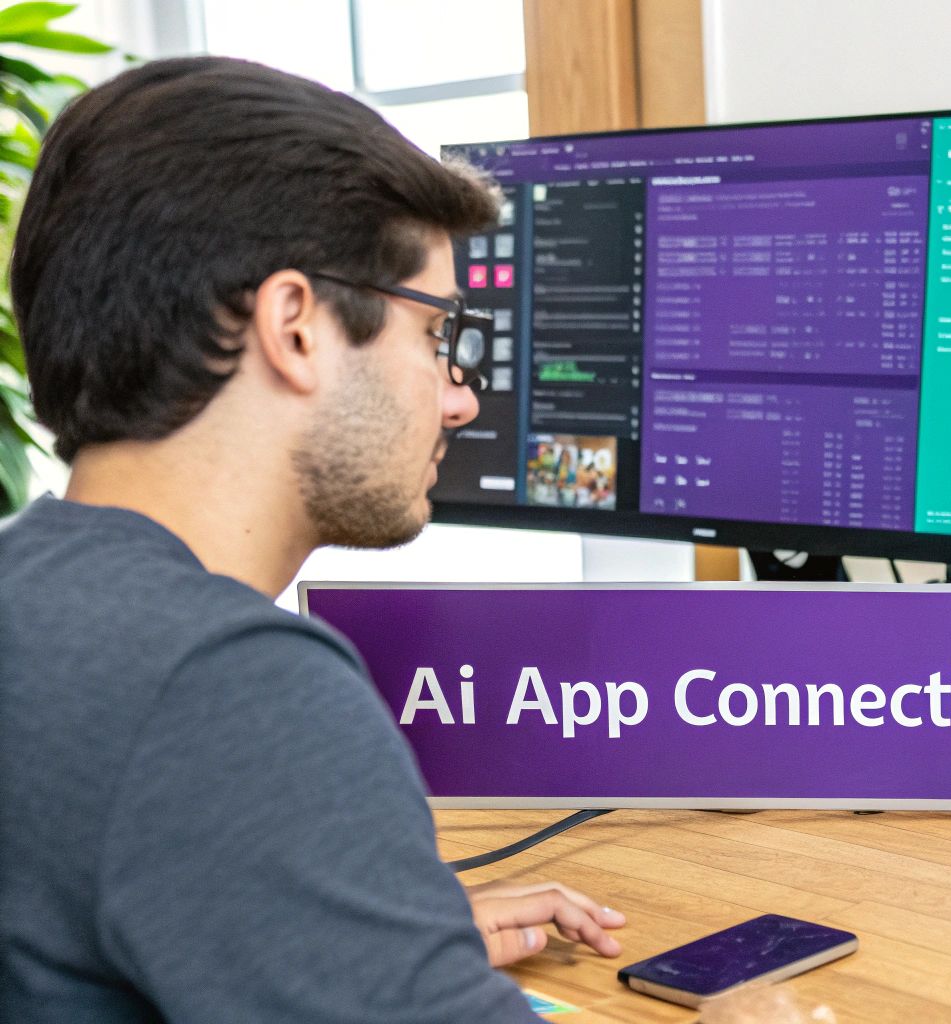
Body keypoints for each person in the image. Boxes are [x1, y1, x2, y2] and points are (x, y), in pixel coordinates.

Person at [0, 57, 624, 1021]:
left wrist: (355, 935)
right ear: (295, 326)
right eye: (435, 334)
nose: (459, 398)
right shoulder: (228, 685)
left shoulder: (27, 599)